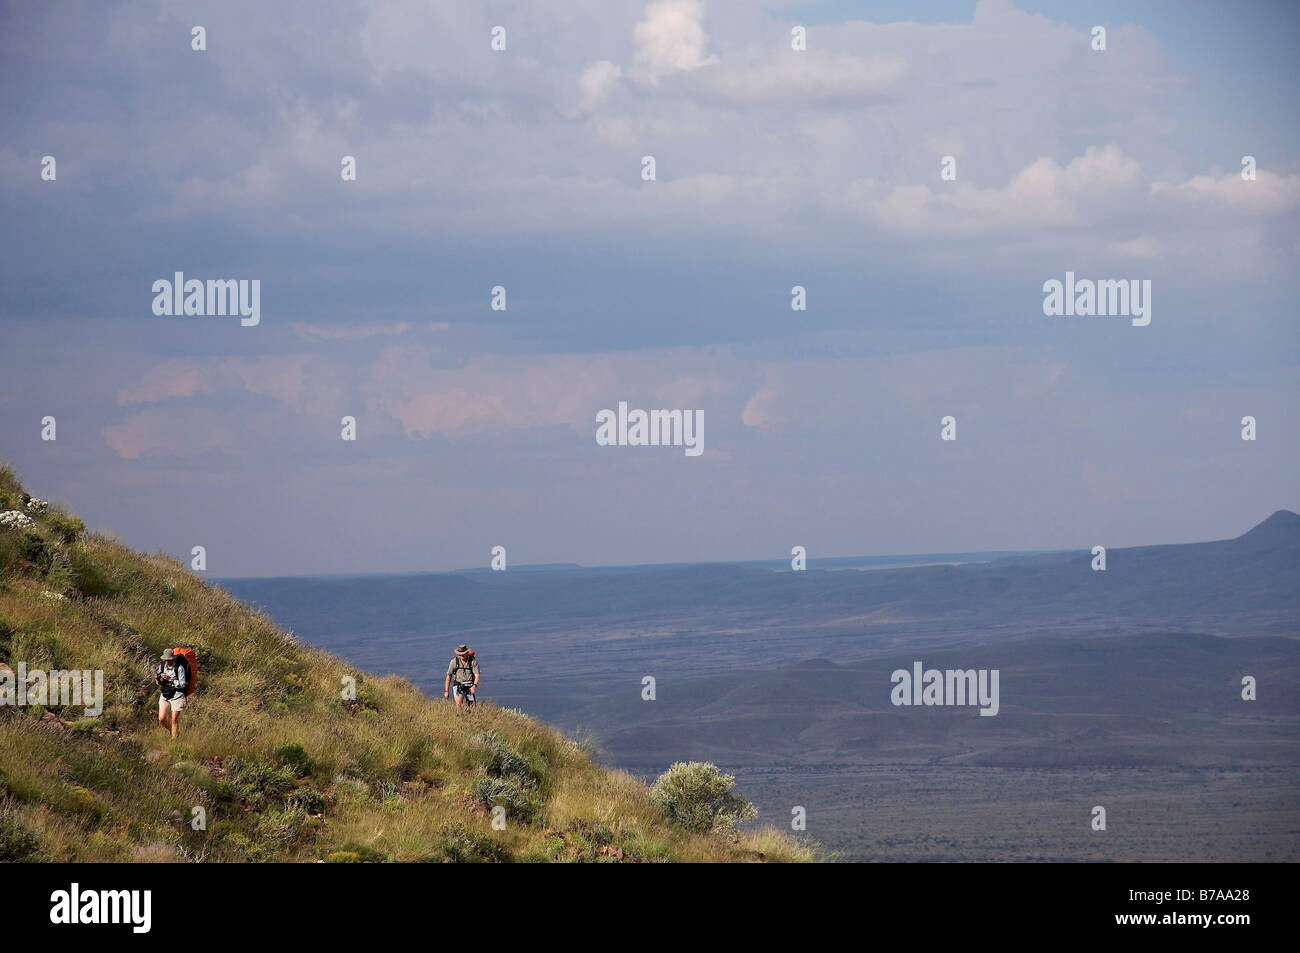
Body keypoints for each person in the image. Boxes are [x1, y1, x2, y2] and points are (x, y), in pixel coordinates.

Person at [156, 649, 190, 738]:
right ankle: (174, 731)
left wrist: (170, 679)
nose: (167, 662)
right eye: (166, 660)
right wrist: (158, 679)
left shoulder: (179, 668)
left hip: (177, 695)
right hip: (165, 694)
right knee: (161, 719)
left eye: (169, 660)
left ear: (172, 659)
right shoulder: (162, 666)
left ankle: (174, 740)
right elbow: (160, 682)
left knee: (174, 719)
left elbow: (182, 684)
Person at [443, 644, 479, 709]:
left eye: (463, 654)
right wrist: (446, 691)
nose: (461, 656)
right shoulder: (454, 662)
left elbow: (477, 675)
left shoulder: (473, 662)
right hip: (458, 685)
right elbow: (449, 676)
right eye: (459, 654)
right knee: (459, 705)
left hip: (470, 685)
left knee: (471, 706)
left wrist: (474, 686)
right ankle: (459, 717)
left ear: (467, 653)